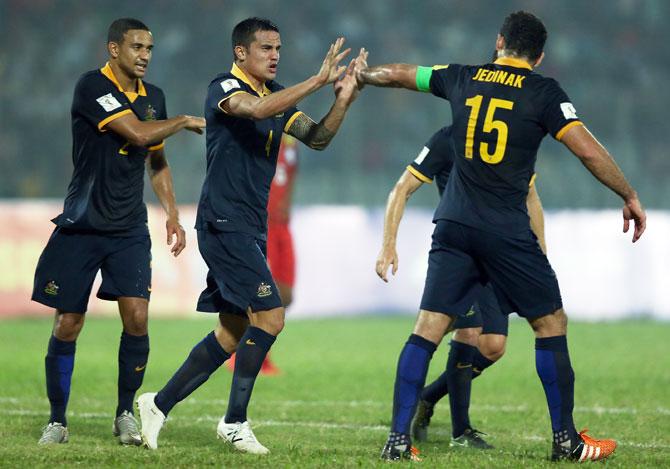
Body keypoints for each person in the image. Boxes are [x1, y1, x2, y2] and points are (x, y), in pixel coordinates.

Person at [357, 10, 646, 462]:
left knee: (426, 330)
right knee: (550, 324)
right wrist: (627, 193)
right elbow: (587, 150)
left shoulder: (460, 77)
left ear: (499, 42)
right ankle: (565, 440)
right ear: (540, 56)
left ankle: (396, 440)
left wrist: (364, 75)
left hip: (452, 225)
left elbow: (401, 74)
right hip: (504, 229)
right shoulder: (544, 92)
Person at [137, 18, 362, 454]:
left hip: (250, 225)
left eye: (278, 48)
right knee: (271, 315)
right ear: (241, 52)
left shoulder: (276, 100)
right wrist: (317, 79)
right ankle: (235, 421)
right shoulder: (223, 88)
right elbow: (254, 110)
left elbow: (317, 138)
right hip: (224, 222)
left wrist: (343, 101)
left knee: (231, 331)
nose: (274, 55)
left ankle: (157, 405)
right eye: (265, 48)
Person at [32, 18, 206, 446]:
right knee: (68, 323)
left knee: (138, 319)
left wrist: (170, 212)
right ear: (114, 49)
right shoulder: (92, 87)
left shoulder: (155, 97)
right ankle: (57, 420)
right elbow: (138, 132)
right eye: (137, 47)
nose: (145, 55)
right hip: (83, 225)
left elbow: (156, 159)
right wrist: (183, 120)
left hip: (128, 227)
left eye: (149, 47)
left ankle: (125, 413)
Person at [377, 126, 547, 449]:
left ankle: (428, 397)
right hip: (462, 252)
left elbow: (530, 197)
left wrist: (541, 250)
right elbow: (402, 188)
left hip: (500, 252)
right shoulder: (448, 139)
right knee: (466, 332)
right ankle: (461, 432)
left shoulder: (509, 139)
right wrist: (388, 244)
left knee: (493, 345)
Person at [226, 134, 300, 375]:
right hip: (261, 224)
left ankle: (254, 350)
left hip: (282, 226)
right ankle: (245, 355)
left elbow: (291, 173)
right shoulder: (258, 133)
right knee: (260, 292)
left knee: (285, 295)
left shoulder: (292, 138)